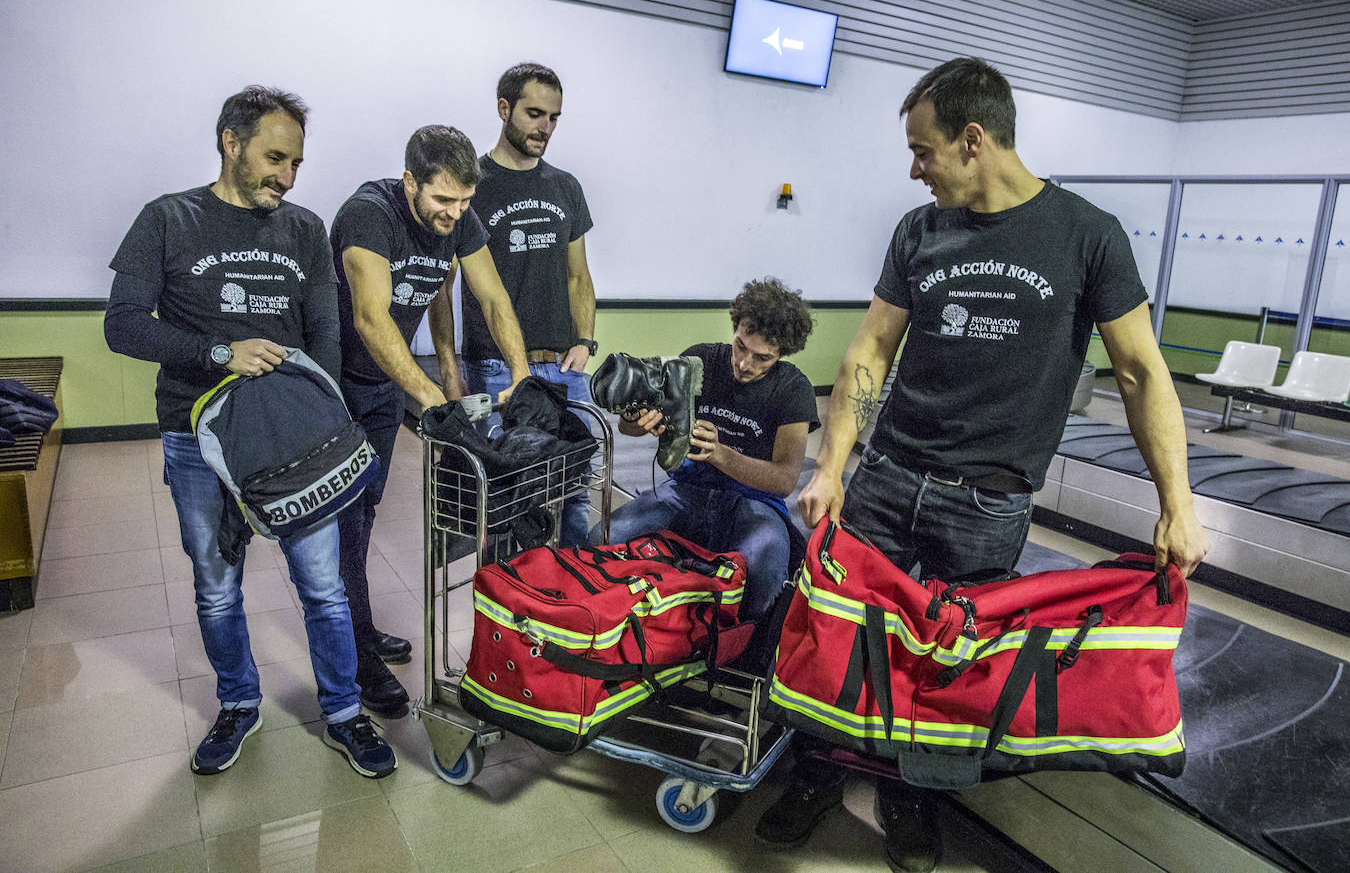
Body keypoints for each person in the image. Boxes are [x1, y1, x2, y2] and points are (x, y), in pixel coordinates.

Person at [754, 58, 1211, 872]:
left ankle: (913, 798)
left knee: (954, 663)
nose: (913, 167)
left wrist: (1178, 502)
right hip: (889, 478)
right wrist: (831, 467)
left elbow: (1141, 372)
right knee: (840, 639)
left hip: (989, 503)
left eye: (923, 150)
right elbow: (872, 345)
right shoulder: (919, 231)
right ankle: (817, 775)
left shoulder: (1088, 235)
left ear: (973, 140)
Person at [104, 86, 396, 778]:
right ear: (229, 142)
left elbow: (325, 331)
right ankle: (238, 703)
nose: (287, 177)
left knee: (324, 588)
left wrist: (324, 421)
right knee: (216, 585)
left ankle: (344, 712)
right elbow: (122, 324)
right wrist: (217, 353)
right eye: (273, 158)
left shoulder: (303, 228)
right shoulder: (168, 219)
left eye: (296, 162)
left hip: (293, 447)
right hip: (197, 440)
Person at [331, 125, 531, 718]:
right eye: (444, 200)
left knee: (364, 513)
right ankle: (357, 658)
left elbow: (491, 298)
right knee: (344, 524)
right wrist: (435, 400)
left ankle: (359, 630)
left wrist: (520, 376)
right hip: (334, 386)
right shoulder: (368, 214)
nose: (455, 213)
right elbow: (372, 320)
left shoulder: (460, 219)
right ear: (410, 181)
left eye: (465, 202)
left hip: (380, 393)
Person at [609, 278, 818, 633]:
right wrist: (634, 418)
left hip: (757, 502)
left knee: (766, 576)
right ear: (735, 328)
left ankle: (736, 650)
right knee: (608, 537)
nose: (744, 363)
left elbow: (784, 480)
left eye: (762, 358)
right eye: (741, 346)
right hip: (689, 492)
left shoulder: (794, 389)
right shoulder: (701, 359)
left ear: (782, 353)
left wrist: (721, 454)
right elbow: (628, 429)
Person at [462, 62, 597, 544]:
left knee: (575, 487)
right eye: (535, 114)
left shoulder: (565, 187)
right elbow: (444, 284)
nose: (545, 128)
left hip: (563, 366)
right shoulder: (473, 182)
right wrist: (449, 366)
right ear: (504, 109)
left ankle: (577, 598)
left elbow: (579, 276)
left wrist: (585, 341)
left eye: (554, 118)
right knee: (504, 496)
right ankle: (507, 600)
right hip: (495, 366)